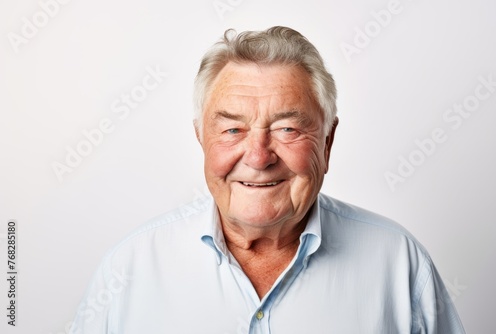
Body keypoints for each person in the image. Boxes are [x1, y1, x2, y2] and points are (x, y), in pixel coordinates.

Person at [70, 26, 466, 333]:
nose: (259, 157)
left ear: (327, 142)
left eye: (288, 129)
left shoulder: (399, 265)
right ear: (201, 140)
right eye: (231, 130)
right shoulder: (127, 270)